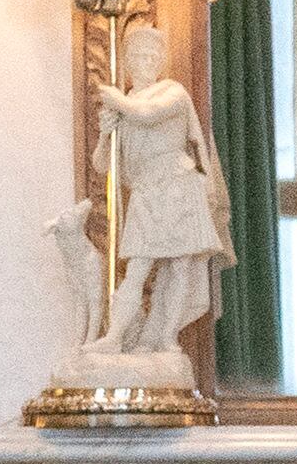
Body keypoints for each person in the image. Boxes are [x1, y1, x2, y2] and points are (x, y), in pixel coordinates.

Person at [84, 24, 232, 356]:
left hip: (178, 186)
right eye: (139, 56)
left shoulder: (172, 92)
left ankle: (166, 337)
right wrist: (106, 133)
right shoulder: (124, 105)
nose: (146, 62)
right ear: (128, 61)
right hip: (146, 192)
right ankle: (115, 336)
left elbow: (149, 114)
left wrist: (118, 102)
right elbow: (101, 165)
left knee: (179, 265)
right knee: (137, 268)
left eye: (153, 56)